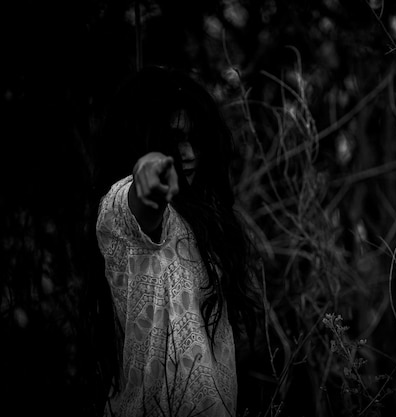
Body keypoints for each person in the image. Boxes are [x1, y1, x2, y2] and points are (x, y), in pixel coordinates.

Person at [90, 65, 259, 417]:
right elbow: (140, 200)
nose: (189, 153)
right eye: (173, 140)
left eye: (195, 139)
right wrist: (150, 171)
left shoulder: (204, 224)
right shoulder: (120, 215)